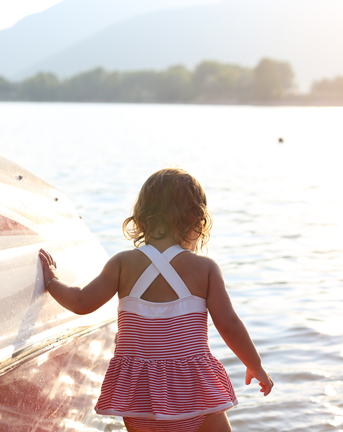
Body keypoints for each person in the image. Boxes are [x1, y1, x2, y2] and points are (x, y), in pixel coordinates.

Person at [38, 168, 273, 432]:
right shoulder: (205, 269)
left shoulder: (121, 264)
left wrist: (51, 282)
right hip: (194, 393)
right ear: (197, 219)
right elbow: (228, 324)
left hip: (140, 399)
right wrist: (255, 366)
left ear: (142, 217)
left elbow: (81, 302)